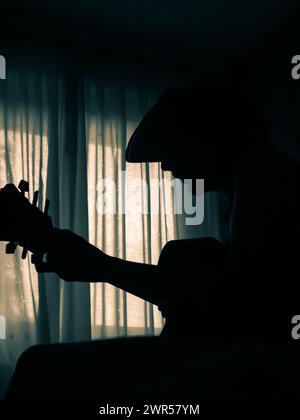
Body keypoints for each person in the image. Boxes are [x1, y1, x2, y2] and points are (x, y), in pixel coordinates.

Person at [5, 85, 300, 399]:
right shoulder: (252, 183)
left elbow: (237, 303)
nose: (165, 166)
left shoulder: (262, 176)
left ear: (203, 135)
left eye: (170, 148)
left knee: (38, 366)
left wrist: (102, 266)